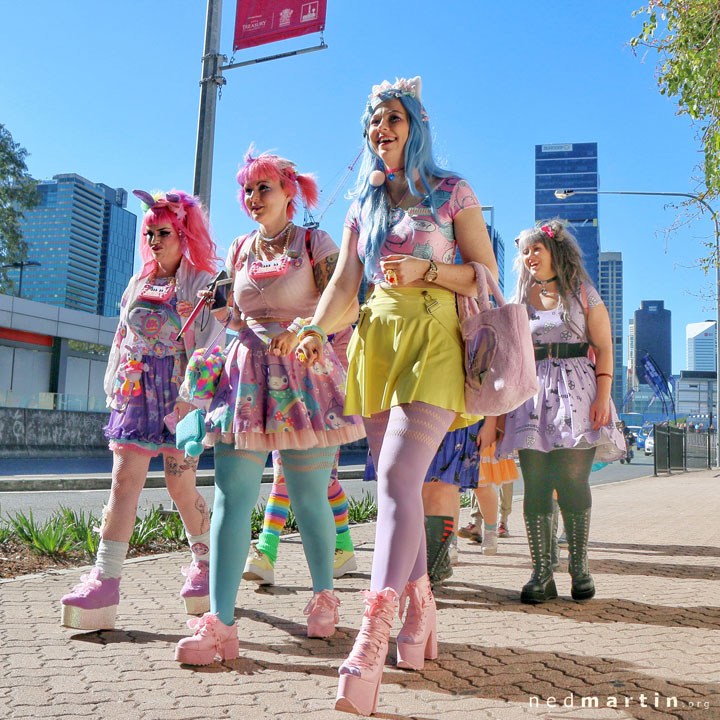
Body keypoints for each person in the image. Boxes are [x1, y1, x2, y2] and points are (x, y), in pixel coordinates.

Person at [296, 76, 497, 716]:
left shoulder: (453, 191)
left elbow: (485, 275)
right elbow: (344, 290)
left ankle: (372, 637)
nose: (379, 130)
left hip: (436, 339)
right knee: (396, 486)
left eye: (391, 119)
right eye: (372, 124)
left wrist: (426, 271)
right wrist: (310, 328)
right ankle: (424, 609)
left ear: (415, 125)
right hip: (377, 344)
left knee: (394, 477)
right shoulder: (365, 206)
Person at [174, 149, 365, 666]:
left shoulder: (314, 242)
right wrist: (226, 314)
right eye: (248, 190)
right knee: (233, 498)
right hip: (245, 380)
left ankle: (325, 594)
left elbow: (346, 301)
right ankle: (221, 623)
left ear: (288, 192)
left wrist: (309, 332)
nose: (253, 199)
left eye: (264, 188)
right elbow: (235, 320)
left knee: (307, 497)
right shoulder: (240, 249)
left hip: (305, 379)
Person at [61, 190, 223, 630]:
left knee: (180, 486)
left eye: (162, 232)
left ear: (183, 233)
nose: (153, 240)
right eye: (149, 232)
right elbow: (121, 337)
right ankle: (104, 579)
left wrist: (195, 400)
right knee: (123, 482)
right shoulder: (138, 282)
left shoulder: (203, 282)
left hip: (182, 394)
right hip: (137, 393)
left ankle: (206, 565)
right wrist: (116, 386)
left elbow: (212, 347)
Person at [495, 220, 624, 605]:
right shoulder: (519, 298)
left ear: (555, 252)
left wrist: (604, 396)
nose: (530, 257)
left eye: (537, 249)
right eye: (525, 252)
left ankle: (579, 567)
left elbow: (603, 346)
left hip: (578, 393)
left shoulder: (583, 293)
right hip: (532, 398)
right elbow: (509, 354)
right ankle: (541, 573)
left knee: (571, 482)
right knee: (534, 486)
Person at [242, 451, 357, 585]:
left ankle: (344, 546)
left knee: (328, 483)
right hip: (282, 430)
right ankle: (266, 552)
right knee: (281, 482)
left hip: (322, 431)